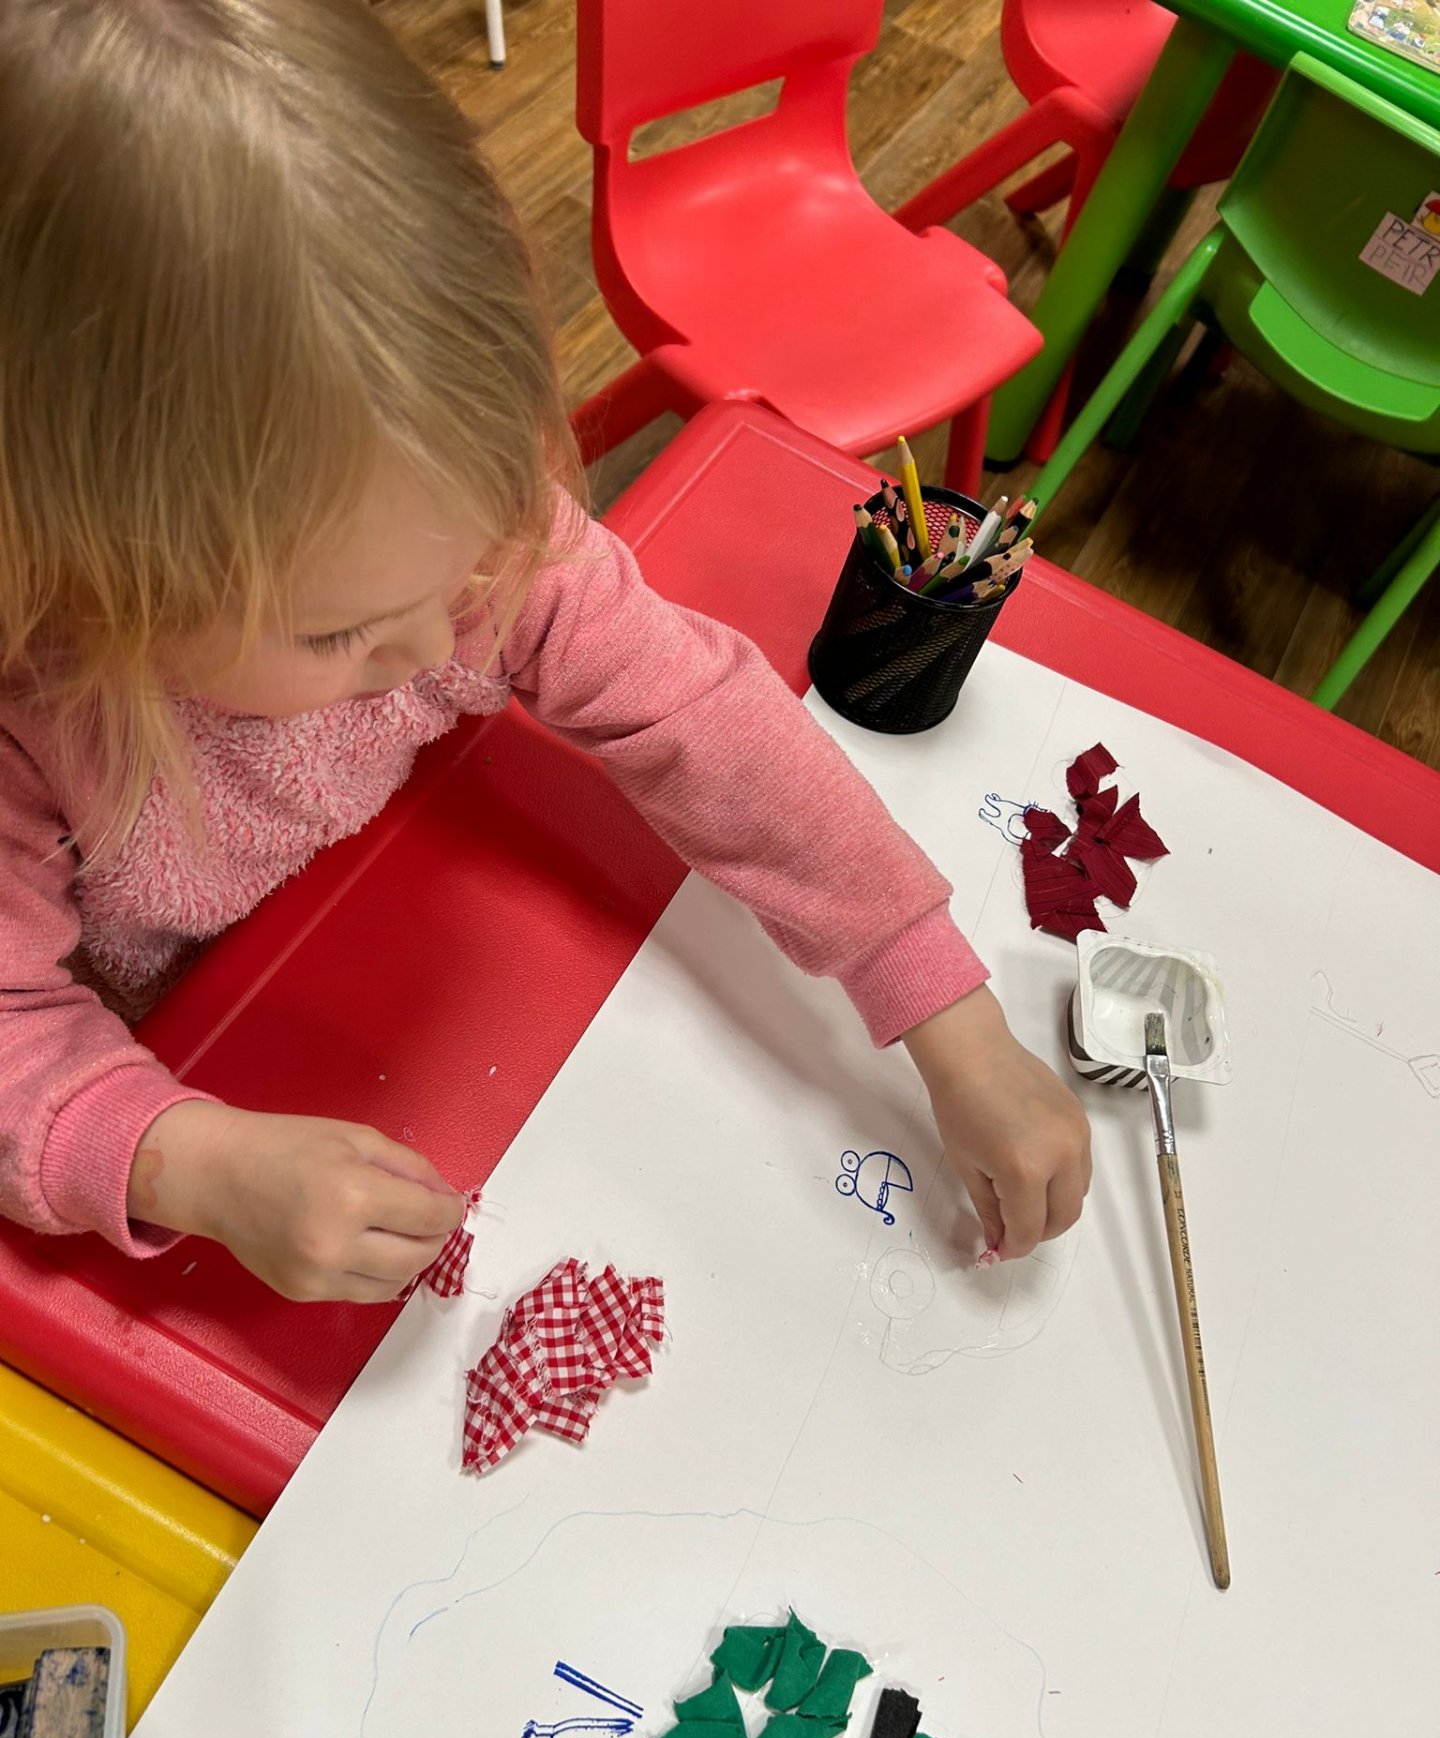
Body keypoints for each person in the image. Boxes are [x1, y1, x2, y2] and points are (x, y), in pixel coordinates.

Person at [0, 0, 1089, 1305]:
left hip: (350, 933)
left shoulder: (452, 539)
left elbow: (704, 719)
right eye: (341, 632)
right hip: (143, 1058)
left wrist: (947, 1013)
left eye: (470, 555)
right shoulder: (36, 716)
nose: (435, 643)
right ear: (89, 587)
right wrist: (192, 1163)